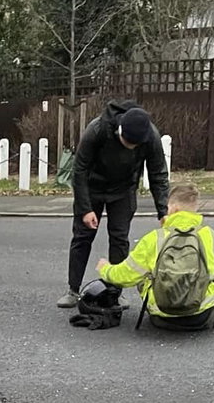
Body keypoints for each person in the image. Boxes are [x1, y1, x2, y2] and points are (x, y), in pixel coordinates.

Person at [60, 100, 169, 308]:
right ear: (119, 131)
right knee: (82, 237)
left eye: (135, 145)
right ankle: (73, 290)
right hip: (93, 187)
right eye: (128, 143)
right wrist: (85, 209)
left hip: (124, 190)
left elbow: (158, 174)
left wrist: (163, 211)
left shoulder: (149, 136)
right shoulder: (98, 129)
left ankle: (115, 291)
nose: (132, 147)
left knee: (119, 239)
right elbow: (79, 170)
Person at [98, 181, 214, 329]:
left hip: (161, 316)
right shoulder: (213, 237)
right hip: (201, 315)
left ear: (174, 208)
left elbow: (124, 276)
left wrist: (105, 269)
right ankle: (211, 304)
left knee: (143, 276)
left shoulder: (155, 238)